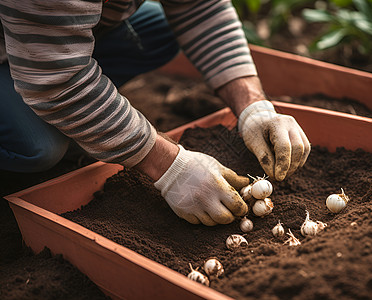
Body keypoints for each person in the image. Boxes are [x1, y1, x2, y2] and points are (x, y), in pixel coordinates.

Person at [0, 0, 310, 226]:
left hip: (46, 31)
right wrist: (168, 165)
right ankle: (64, 112)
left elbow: (202, 8)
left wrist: (253, 107)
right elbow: (58, 82)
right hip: (24, 41)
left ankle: (84, 109)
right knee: (39, 148)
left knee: (158, 28)